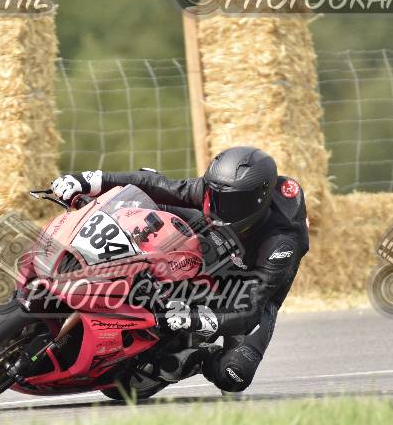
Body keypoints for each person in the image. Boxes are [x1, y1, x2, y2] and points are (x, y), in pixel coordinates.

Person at [49, 146, 309, 392]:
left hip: (247, 288)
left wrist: (193, 319)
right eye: (214, 196)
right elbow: (160, 185)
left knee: (234, 373)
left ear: (258, 201)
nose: (219, 207)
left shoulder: (282, 241)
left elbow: (250, 311)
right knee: (142, 205)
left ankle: (198, 357)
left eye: (231, 203)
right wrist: (90, 181)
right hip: (214, 241)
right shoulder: (215, 192)